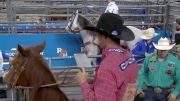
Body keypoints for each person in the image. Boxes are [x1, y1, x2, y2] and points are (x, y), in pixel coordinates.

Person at [75, 13, 139, 101]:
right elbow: (118, 83)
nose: (96, 37)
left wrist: (82, 83)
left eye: (97, 34)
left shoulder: (106, 68)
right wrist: (95, 80)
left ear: (104, 36)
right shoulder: (129, 56)